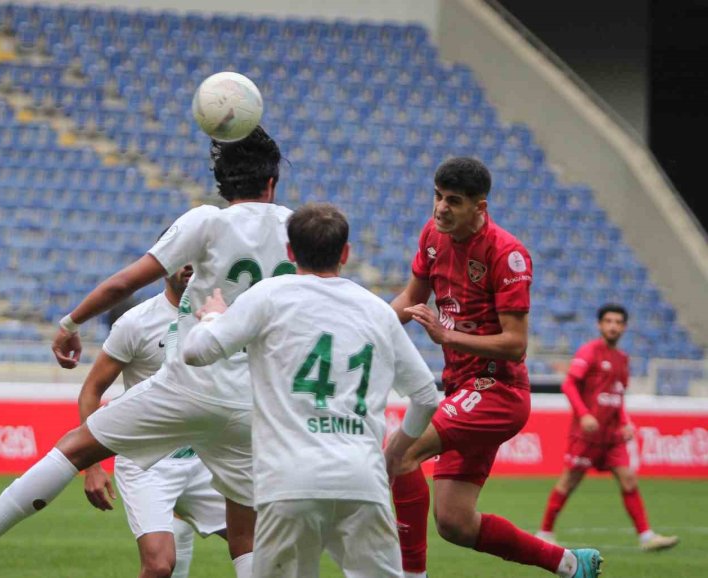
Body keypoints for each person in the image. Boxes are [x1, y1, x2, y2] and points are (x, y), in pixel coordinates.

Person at [0, 127, 292, 577]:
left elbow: (123, 284)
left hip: (191, 383)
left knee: (76, 448)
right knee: (246, 537)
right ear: (272, 184)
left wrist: (70, 324)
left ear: (221, 184)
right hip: (252, 402)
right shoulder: (295, 227)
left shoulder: (205, 221)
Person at [181, 203, 441, 578]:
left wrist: (212, 316)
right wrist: (395, 453)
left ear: (289, 252)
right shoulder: (377, 310)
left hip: (289, 481)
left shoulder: (269, 296)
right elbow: (426, 396)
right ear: (346, 253)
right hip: (362, 479)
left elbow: (195, 351)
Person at [385, 157, 603, 578]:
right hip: (462, 389)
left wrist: (449, 337)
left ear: (479, 207)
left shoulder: (508, 255)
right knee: (455, 523)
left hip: (498, 389)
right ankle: (570, 564)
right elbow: (411, 298)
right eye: (437, 196)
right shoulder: (433, 235)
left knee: (399, 453)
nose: (440, 209)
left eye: (453, 201)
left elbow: (515, 344)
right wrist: (363, 325)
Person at [80, 262, 228, 578]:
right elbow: (90, 391)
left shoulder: (218, 317)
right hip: (150, 463)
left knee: (262, 543)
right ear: (165, 266)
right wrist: (92, 466)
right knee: (160, 566)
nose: (189, 265)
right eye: (181, 258)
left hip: (204, 459)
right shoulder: (136, 323)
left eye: (196, 258)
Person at [537, 304, 679, 552]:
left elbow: (617, 396)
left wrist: (625, 423)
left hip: (612, 435)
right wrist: (584, 416)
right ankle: (545, 532)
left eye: (618, 322)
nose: (613, 326)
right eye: (608, 321)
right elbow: (569, 385)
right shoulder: (589, 352)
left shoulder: (623, 359)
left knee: (629, 479)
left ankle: (646, 537)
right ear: (600, 325)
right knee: (569, 481)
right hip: (587, 434)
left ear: (624, 327)